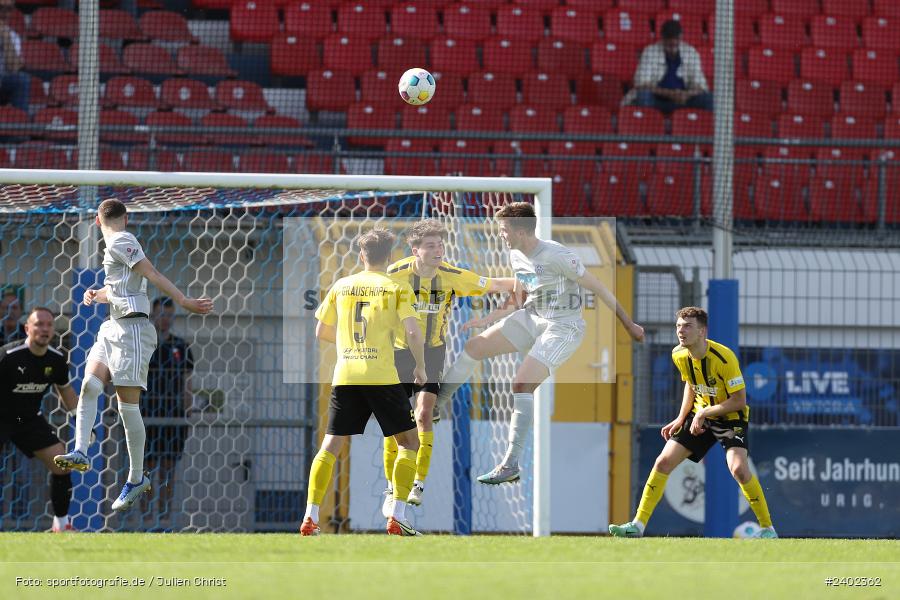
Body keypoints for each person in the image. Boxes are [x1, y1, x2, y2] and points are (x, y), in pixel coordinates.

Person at [436, 202, 645, 485]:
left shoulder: (556, 255)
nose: (501, 235)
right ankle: (436, 405)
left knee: (522, 383)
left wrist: (628, 324)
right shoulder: (515, 253)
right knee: (474, 347)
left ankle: (510, 464)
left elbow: (599, 287)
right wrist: (488, 319)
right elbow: (520, 295)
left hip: (562, 327)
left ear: (520, 231)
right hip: (532, 317)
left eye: (503, 229)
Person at [54, 199, 213, 514]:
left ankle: (136, 477)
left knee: (127, 408)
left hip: (134, 332)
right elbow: (125, 290)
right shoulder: (115, 245)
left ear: (97, 223)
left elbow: (150, 273)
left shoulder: (123, 241)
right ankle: (81, 451)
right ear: (125, 217)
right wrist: (96, 294)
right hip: (112, 327)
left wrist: (183, 300)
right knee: (89, 385)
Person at [380, 219, 515, 515]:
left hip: (433, 353)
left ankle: (418, 483)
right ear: (415, 250)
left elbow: (496, 285)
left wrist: (523, 285)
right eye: (431, 245)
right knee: (396, 424)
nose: (438, 250)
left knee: (425, 413)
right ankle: (392, 486)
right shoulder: (394, 274)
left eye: (440, 244)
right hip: (399, 352)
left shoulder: (453, 276)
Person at [300, 228, 426, 537]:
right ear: (391, 256)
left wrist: (349, 346)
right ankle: (397, 514)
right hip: (382, 376)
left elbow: (321, 332)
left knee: (331, 444)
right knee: (409, 442)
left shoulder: (342, 285)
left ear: (361, 255)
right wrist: (421, 367)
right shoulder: (396, 288)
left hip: (346, 376)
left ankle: (310, 516)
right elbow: (412, 332)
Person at [609, 307, 777, 539]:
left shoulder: (724, 357)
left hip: (728, 417)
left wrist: (704, 413)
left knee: (738, 469)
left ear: (702, 331)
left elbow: (739, 401)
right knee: (663, 462)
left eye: (687, 326)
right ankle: (637, 526)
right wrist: (681, 417)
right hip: (699, 415)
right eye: (678, 326)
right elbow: (691, 384)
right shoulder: (679, 355)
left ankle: (768, 529)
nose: (681, 330)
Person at [1, 307, 79, 532]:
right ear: (27, 328)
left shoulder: (56, 360)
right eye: (39, 324)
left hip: (28, 420)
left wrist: (80, 421)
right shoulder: (8, 355)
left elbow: (65, 390)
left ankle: (61, 524)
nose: (44, 329)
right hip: (1, 417)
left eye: (48, 325)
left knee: (62, 463)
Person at [143, 296, 194, 522]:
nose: (165, 319)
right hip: (146, 413)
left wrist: (187, 412)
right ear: (153, 315)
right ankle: (145, 519)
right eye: (161, 314)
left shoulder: (181, 346)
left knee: (167, 471)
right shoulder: (143, 342)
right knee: (145, 469)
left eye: (169, 315)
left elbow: (187, 382)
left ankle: (163, 519)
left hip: (173, 415)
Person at [626, 19, 713, 114]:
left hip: (684, 100)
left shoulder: (691, 52)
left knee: (710, 98)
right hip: (658, 101)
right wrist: (669, 93)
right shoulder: (650, 52)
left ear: (681, 38)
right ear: (662, 38)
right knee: (643, 96)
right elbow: (641, 84)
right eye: (669, 45)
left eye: (675, 45)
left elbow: (701, 86)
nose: (672, 49)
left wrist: (686, 94)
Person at [0, 0, 30, 113]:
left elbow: (14, 67)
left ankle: (21, 124)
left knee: (22, 79)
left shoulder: (12, 36)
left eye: (9, 9)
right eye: (0, 8)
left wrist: (5, 37)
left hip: (3, 81)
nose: (4, 13)